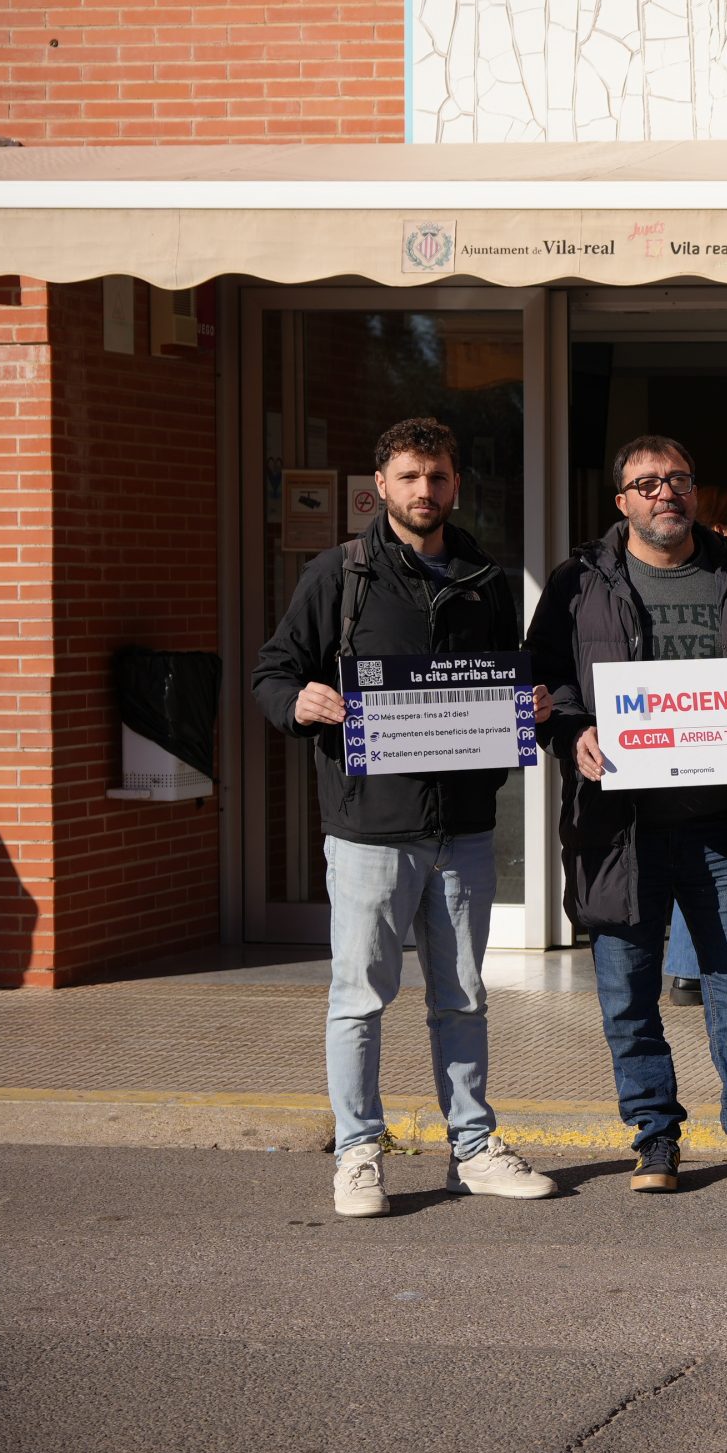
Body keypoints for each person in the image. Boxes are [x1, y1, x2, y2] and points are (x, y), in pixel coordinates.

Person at [251, 417, 560, 1217]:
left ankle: (473, 1148)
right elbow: (272, 673)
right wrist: (299, 700)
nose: (426, 490)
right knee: (359, 999)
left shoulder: (486, 578)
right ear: (381, 484)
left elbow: (508, 682)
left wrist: (528, 706)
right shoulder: (340, 574)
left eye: (439, 476)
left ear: (457, 484)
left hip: (464, 827)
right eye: (411, 476)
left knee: (462, 997)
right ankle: (358, 1153)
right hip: (369, 829)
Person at [528, 434, 727, 1198]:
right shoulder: (579, 581)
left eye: (678, 479)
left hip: (724, 826)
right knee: (628, 996)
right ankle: (655, 1137)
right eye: (648, 482)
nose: (666, 493)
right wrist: (571, 732)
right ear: (622, 500)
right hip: (618, 831)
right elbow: (545, 682)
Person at [666, 483, 727, 1005]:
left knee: (711, 865)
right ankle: (687, 970)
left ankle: (691, 972)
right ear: (721, 528)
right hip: (663, 763)